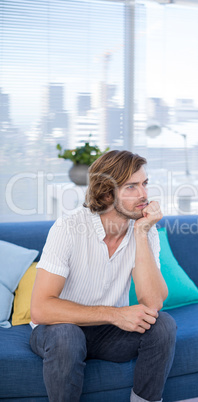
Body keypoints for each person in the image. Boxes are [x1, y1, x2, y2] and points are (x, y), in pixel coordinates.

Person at [30, 150, 177, 402]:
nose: (143, 194)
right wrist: (115, 314)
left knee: (162, 324)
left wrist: (141, 233)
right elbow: (41, 309)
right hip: (58, 330)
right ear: (107, 192)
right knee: (68, 335)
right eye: (131, 186)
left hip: (108, 332)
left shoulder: (145, 228)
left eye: (144, 183)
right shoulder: (68, 227)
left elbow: (153, 303)